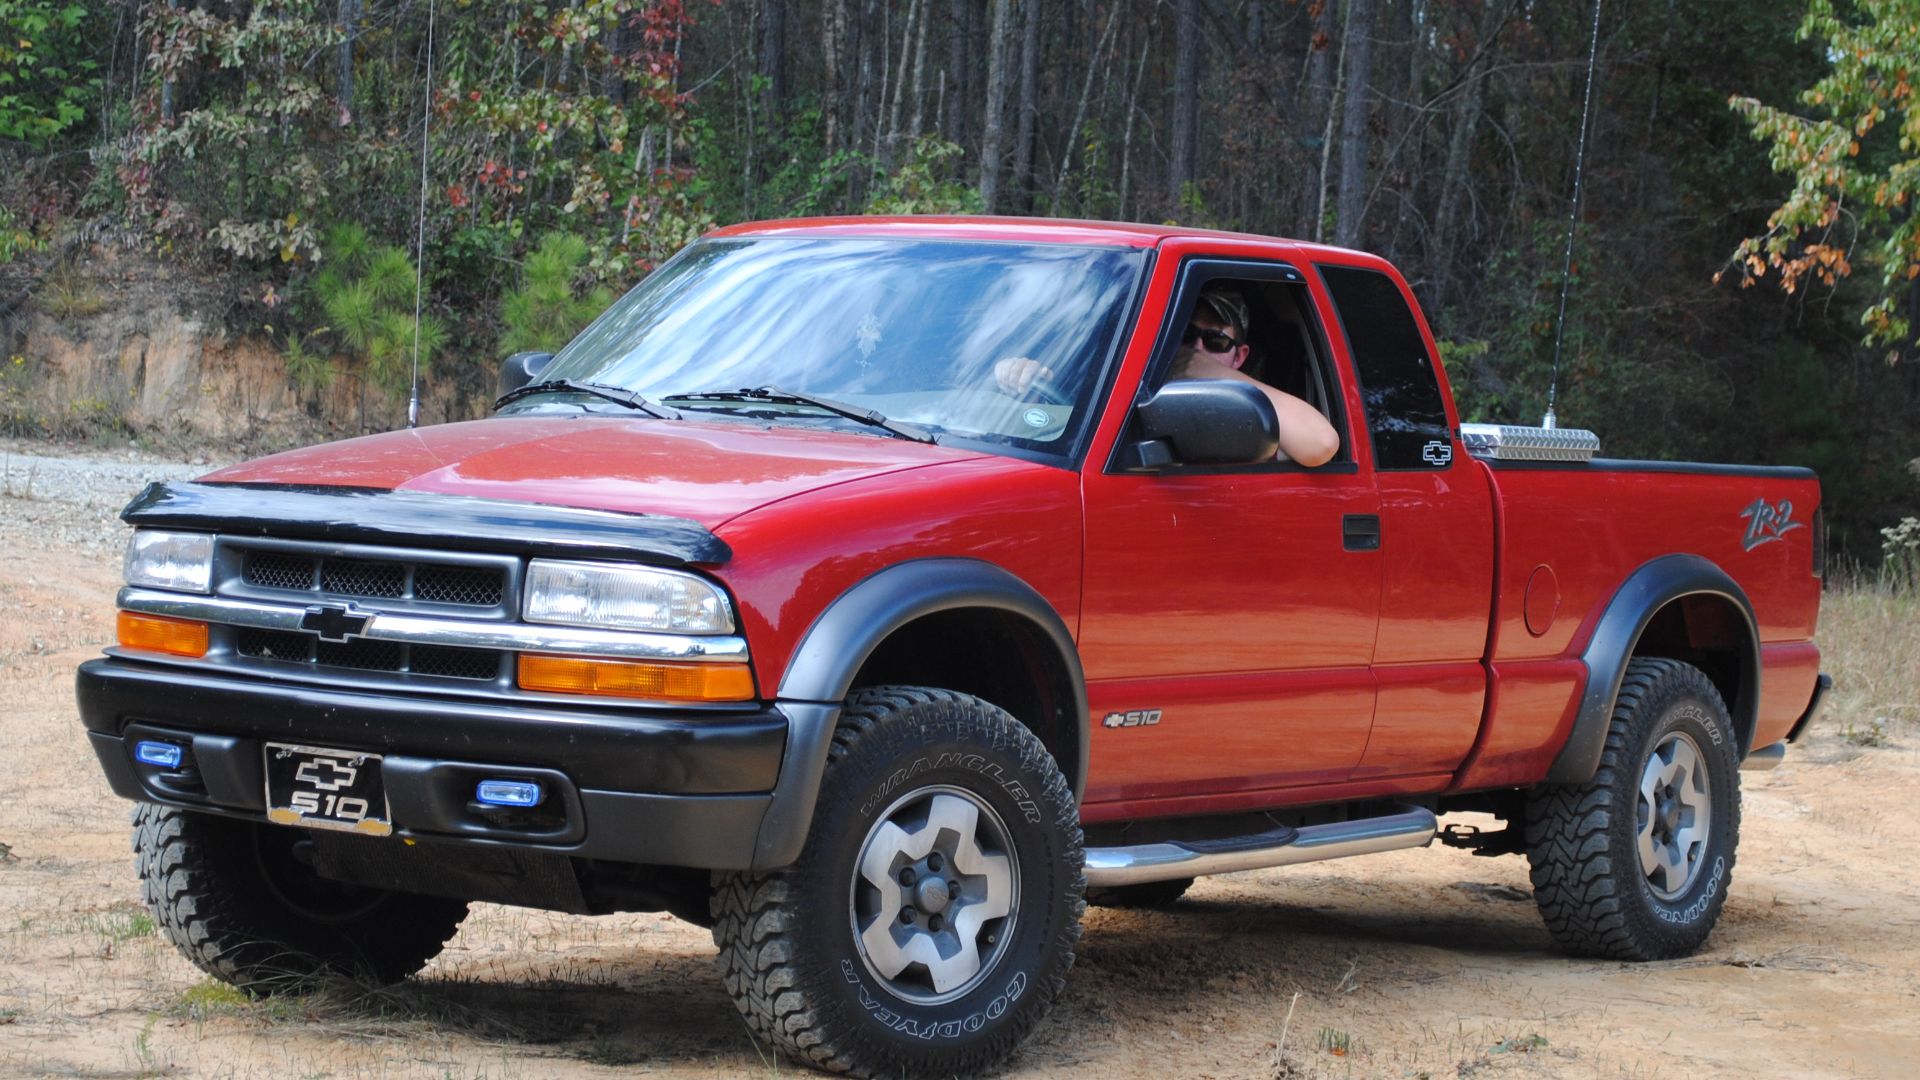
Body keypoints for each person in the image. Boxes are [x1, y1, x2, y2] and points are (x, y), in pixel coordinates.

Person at [995, 285, 1341, 466]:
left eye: (1217, 340)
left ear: (1240, 356)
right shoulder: (1122, 384)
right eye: (1186, 336)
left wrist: (1207, 371)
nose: (1198, 347)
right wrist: (1016, 375)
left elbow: (1320, 444)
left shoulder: (1248, 409)